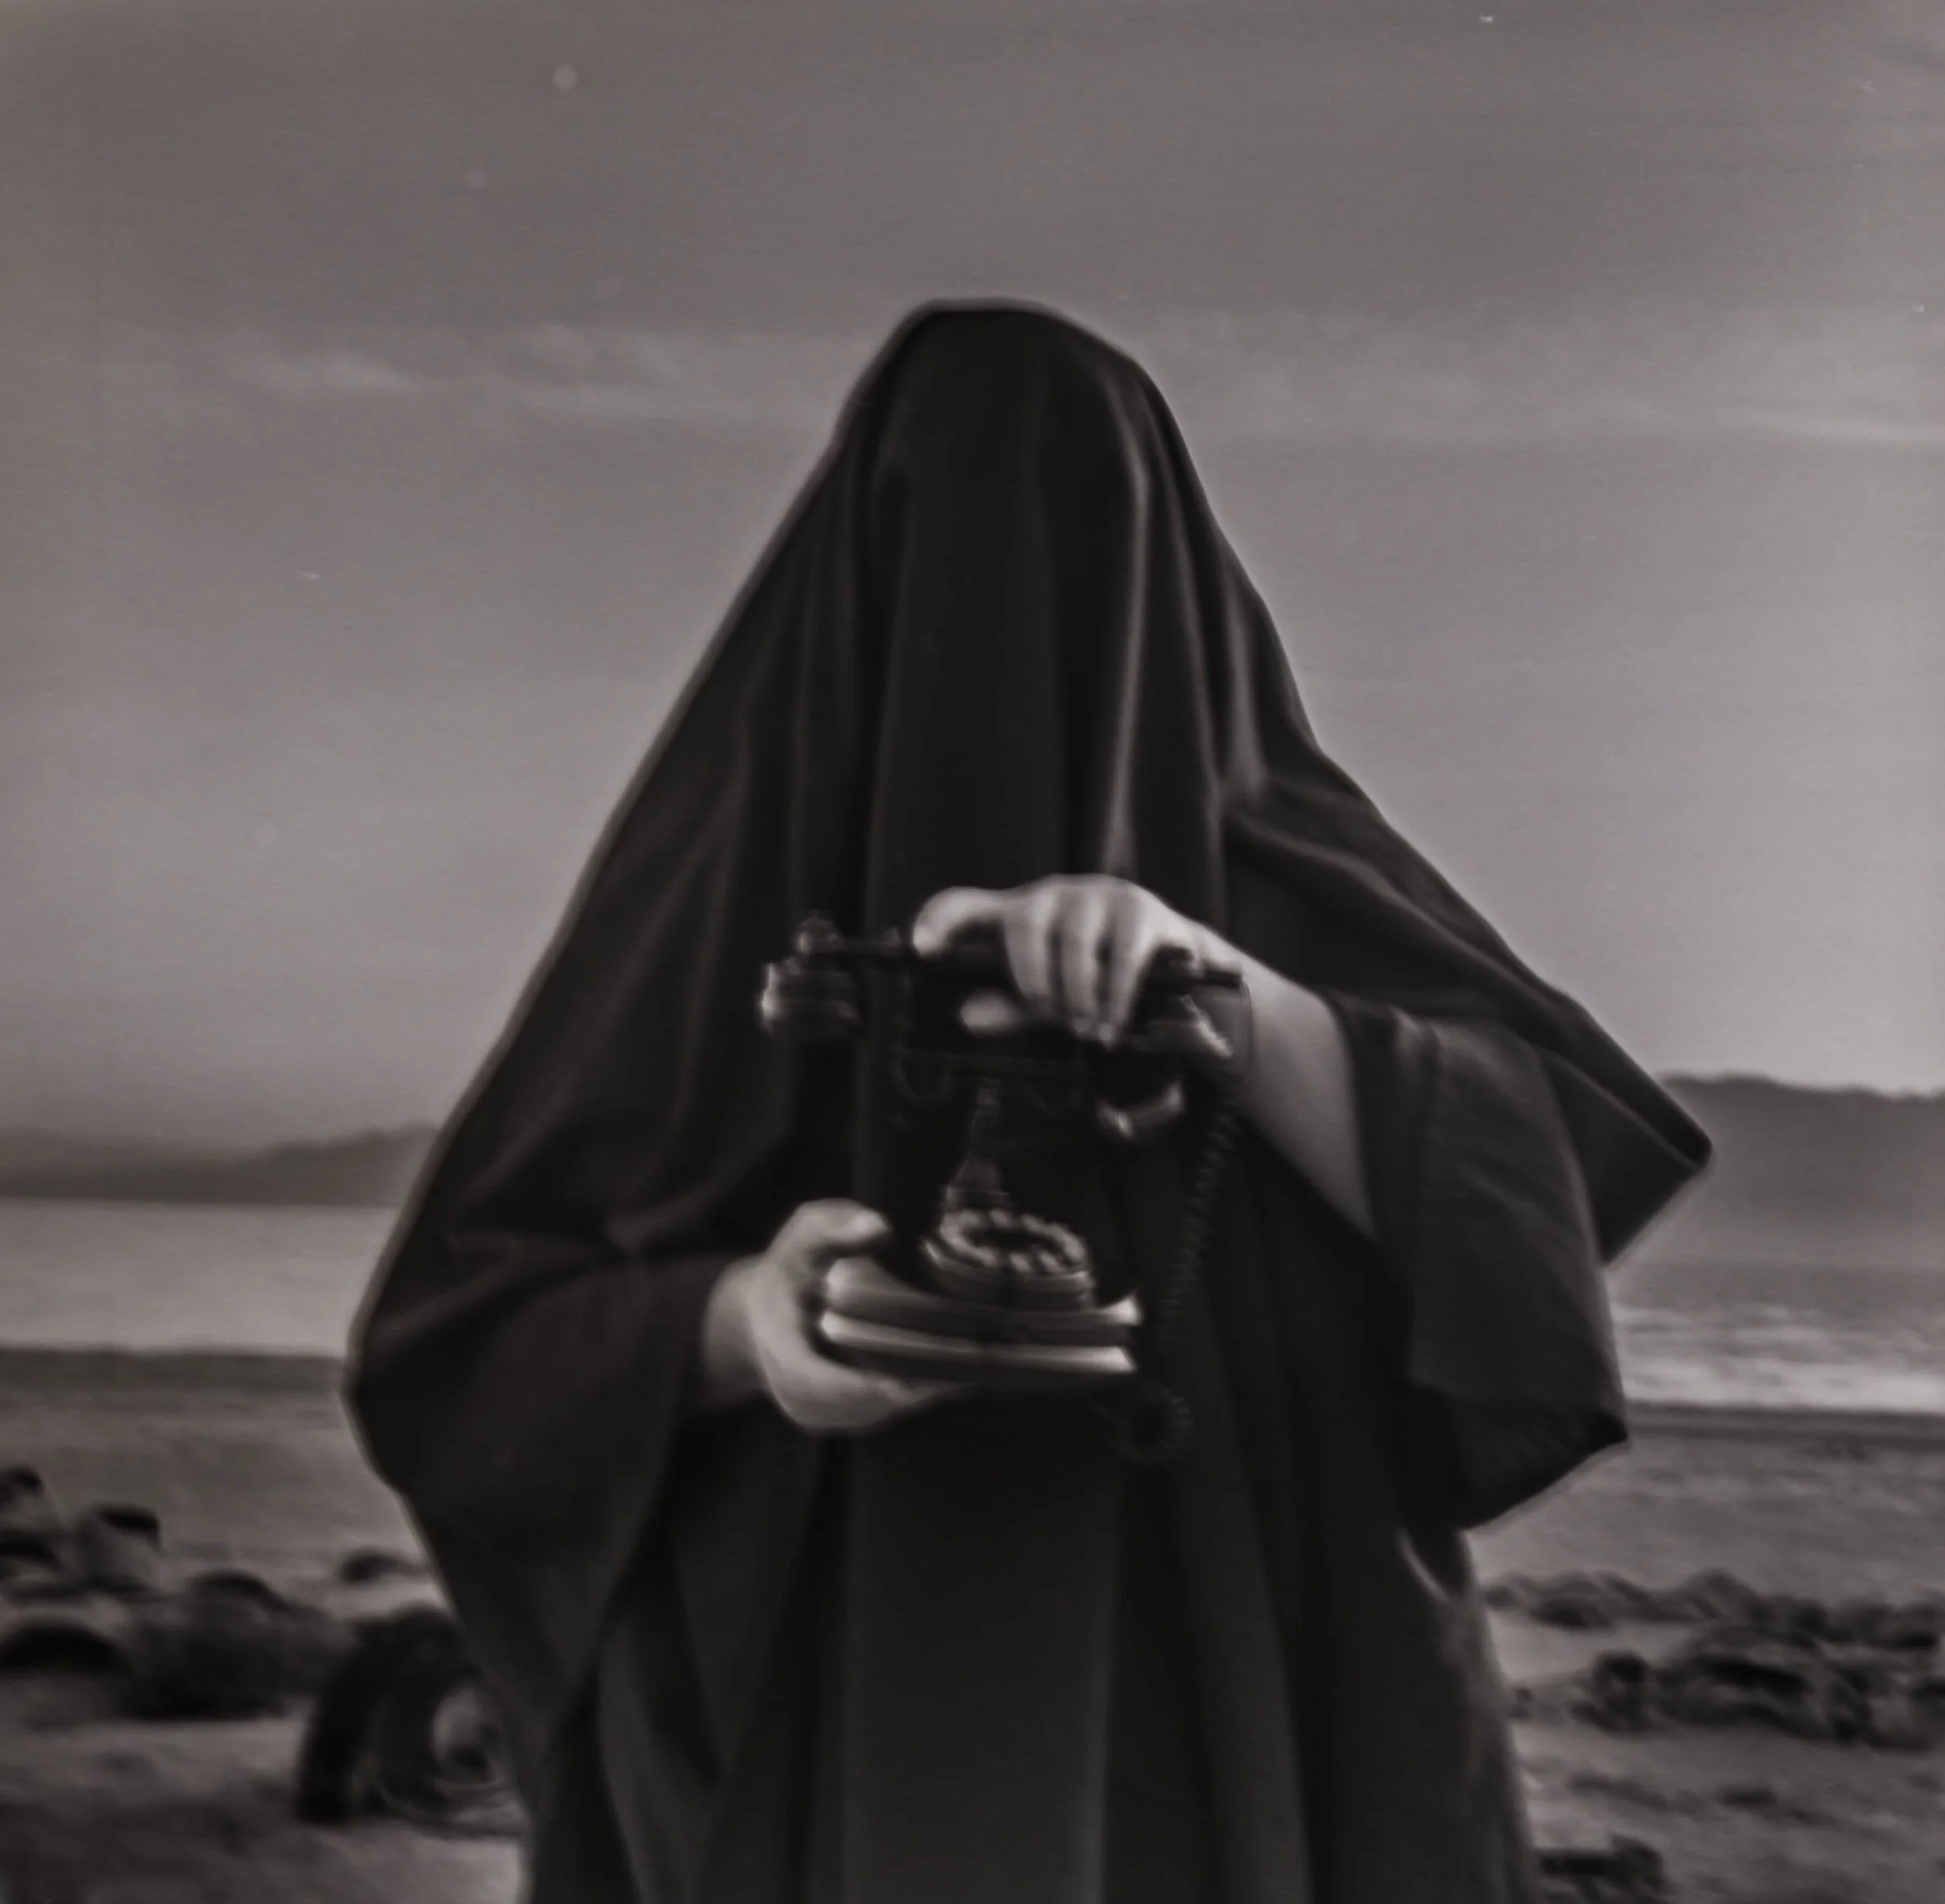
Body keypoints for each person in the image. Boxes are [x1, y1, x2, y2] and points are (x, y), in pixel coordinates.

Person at [345, 302, 1711, 1904]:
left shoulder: (1273, 875)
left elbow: (1534, 1178)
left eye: (1073, 554)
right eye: (940, 554)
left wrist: (1225, 993)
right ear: (859, 579)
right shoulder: (716, 902)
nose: (999, 635)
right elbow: (454, 1347)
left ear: (1165, 590)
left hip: (1244, 1677)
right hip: (822, 1692)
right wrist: (743, 1319)